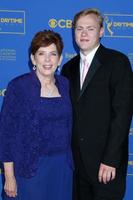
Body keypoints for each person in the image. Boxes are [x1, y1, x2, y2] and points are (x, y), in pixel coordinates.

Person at [61, 8, 133, 200]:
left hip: (105, 166)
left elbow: (122, 115)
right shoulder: (68, 68)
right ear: (73, 32)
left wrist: (110, 160)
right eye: (79, 28)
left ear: (101, 31)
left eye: (90, 28)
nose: (84, 33)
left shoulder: (118, 62)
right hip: (77, 166)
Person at [0, 30, 73, 200]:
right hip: (29, 169)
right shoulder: (19, 86)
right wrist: (9, 176)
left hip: (62, 167)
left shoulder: (65, 84)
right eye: (41, 53)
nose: (47, 60)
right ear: (33, 58)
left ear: (60, 58)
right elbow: (6, 134)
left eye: (53, 54)